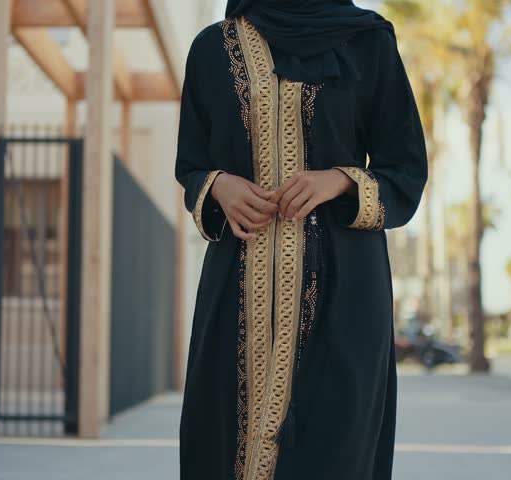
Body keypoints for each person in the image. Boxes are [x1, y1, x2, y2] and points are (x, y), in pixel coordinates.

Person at [175, 1, 427, 478]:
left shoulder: (368, 43)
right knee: (221, 444)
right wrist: (219, 186)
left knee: (337, 449)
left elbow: (406, 169)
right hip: (235, 289)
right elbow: (191, 164)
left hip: (345, 294)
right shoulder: (212, 48)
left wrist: (340, 180)